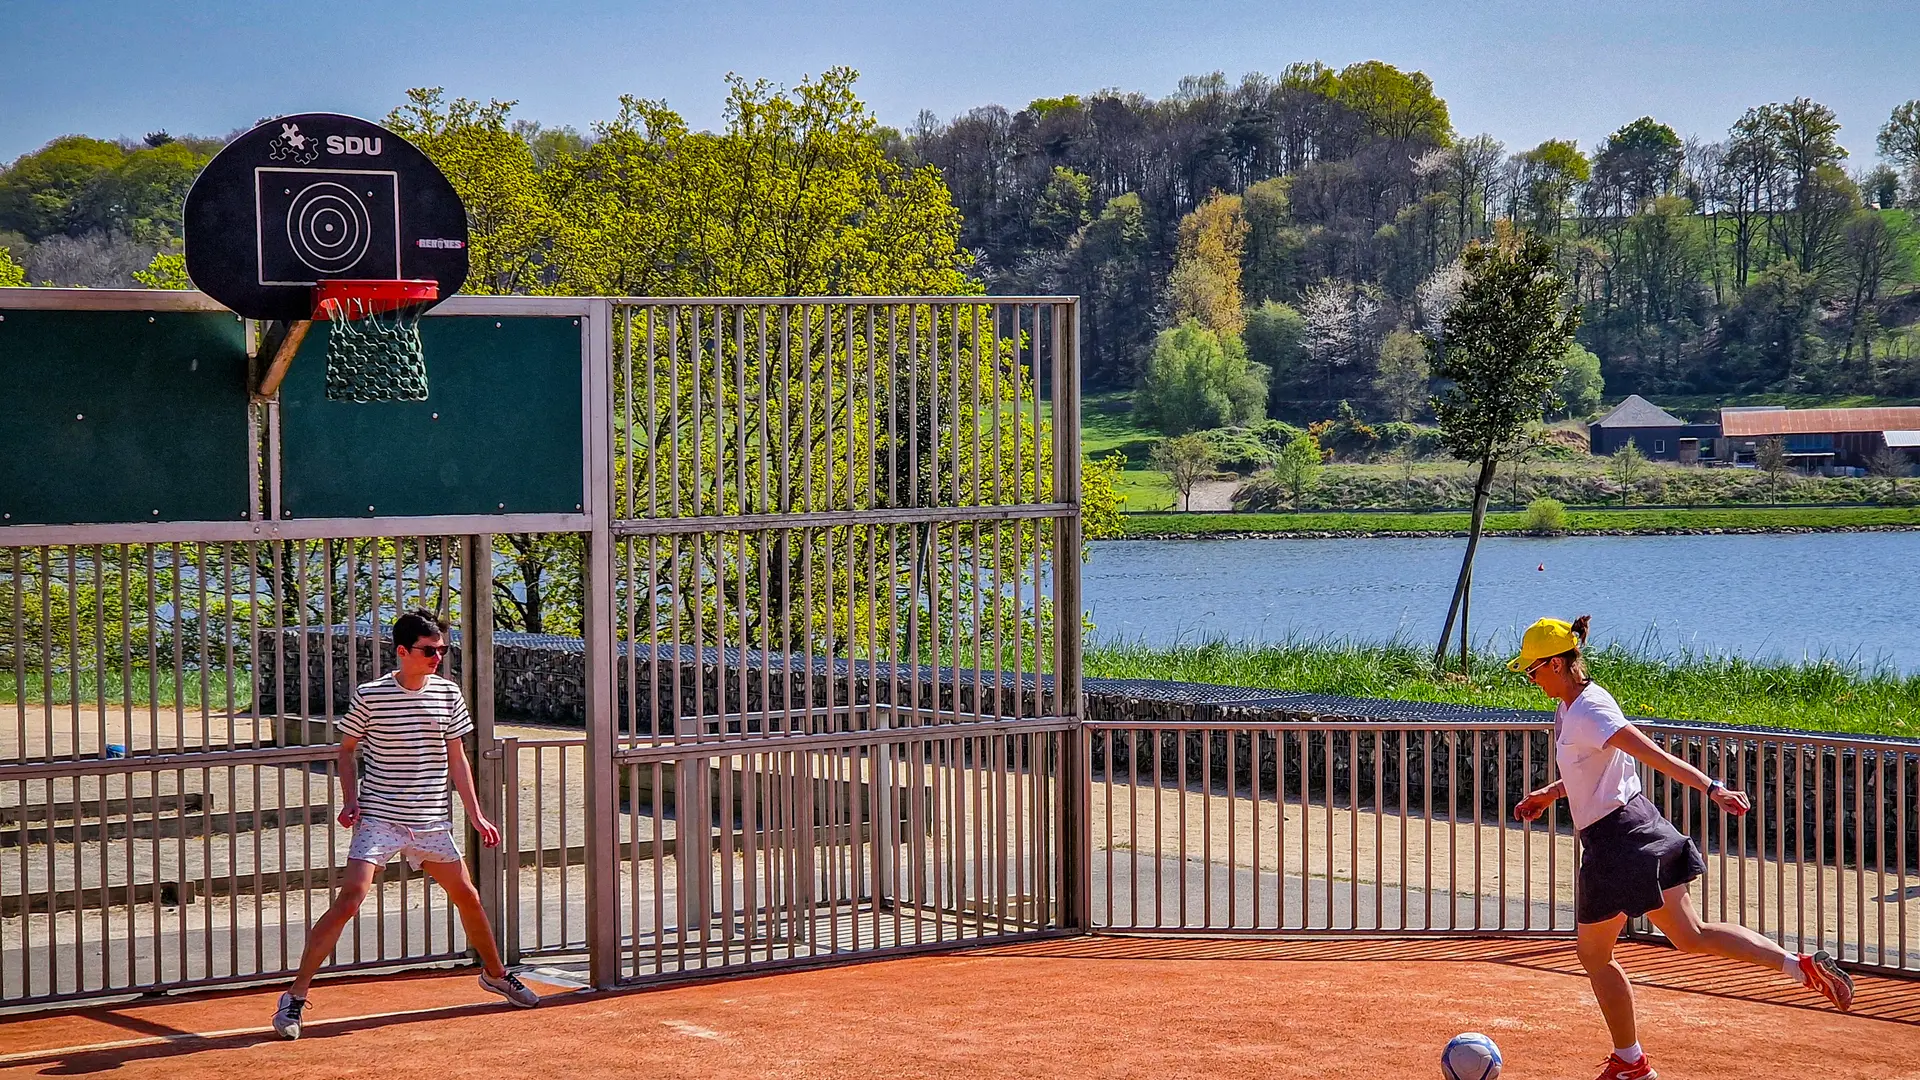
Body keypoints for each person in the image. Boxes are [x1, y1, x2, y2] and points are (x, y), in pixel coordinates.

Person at [1509, 615, 1852, 1080]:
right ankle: (1800, 965)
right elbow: (1598, 769)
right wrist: (1551, 793)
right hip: (1640, 827)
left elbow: (1654, 754)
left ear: (1554, 663)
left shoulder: (1590, 710)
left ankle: (1631, 1062)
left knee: (1593, 955)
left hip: (1618, 842)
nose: (1531, 680)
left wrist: (1713, 787)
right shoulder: (1572, 707)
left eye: (1532, 670)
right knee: (1691, 935)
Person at [272, 610, 537, 1039]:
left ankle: (497, 974)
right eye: (429, 650)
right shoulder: (371, 696)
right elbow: (346, 751)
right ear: (402, 651)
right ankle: (295, 998)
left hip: (431, 818)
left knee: (467, 896)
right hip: (380, 815)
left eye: (442, 650)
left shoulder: (448, 694)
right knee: (352, 897)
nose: (437, 657)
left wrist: (476, 814)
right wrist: (351, 800)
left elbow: (457, 758)